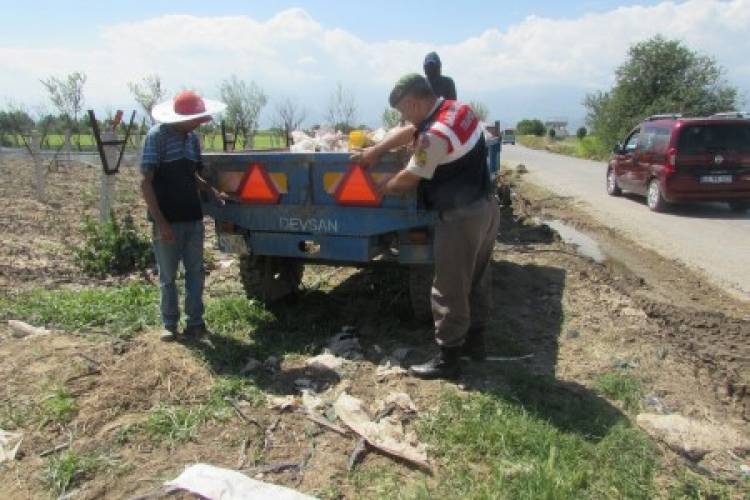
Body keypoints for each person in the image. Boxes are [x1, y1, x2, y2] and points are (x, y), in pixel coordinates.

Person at [357, 74, 499, 379]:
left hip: (461, 217)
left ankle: (449, 359)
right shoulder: (456, 109)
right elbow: (412, 129)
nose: (403, 117)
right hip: (486, 207)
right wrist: (377, 151)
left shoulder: (434, 136)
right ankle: (476, 343)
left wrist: (382, 188)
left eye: (403, 110)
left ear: (414, 101)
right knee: (476, 277)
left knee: (448, 287)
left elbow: (411, 177)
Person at [141, 90, 227, 341]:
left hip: (192, 217)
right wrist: (161, 223)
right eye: (197, 119)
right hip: (167, 220)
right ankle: (169, 324)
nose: (200, 123)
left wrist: (212, 191)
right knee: (168, 277)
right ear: (182, 118)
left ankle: (195, 323)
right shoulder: (156, 137)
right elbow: (146, 183)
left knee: (195, 272)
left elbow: (191, 176)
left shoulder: (192, 140)